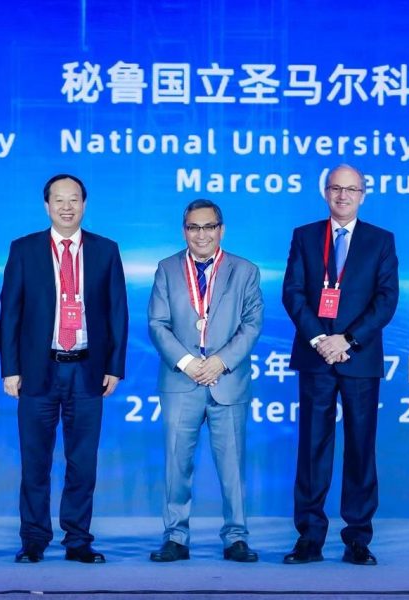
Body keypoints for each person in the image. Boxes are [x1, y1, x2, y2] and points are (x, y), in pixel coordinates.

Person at [0, 173, 128, 564]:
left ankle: (77, 540)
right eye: (59, 200)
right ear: (47, 206)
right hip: (38, 371)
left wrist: (114, 366)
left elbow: (118, 312)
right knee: (35, 461)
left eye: (74, 199)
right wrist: (10, 369)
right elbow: (10, 314)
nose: (67, 207)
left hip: (87, 370)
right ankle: (33, 539)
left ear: (84, 204)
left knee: (82, 462)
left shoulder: (105, 250)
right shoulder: (24, 249)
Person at [281, 164, 399, 566]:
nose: (343, 195)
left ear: (363, 194)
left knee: (361, 449)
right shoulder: (305, 236)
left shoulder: (381, 240)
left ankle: (358, 539)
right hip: (316, 357)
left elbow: (386, 299)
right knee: (312, 448)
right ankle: (309, 538)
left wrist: (346, 340)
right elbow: (293, 293)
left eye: (351, 189)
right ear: (325, 192)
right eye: (336, 188)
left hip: (359, 358)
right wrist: (320, 340)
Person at [148, 199, 264, 562]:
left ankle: (236, 537)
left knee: (232, 467)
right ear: (184, 231)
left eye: (209, 227)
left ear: (221, 230)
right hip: (181, 381)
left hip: (227, 381)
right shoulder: (167, 269)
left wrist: (219, 362)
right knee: (176, 465)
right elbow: (157, 324)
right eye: (194, 227)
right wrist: (187, 363)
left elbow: (252, 325)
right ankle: (175, 537)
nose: (202, 235)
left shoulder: (245, 270)